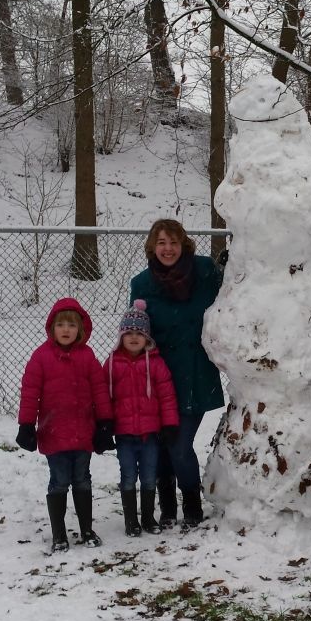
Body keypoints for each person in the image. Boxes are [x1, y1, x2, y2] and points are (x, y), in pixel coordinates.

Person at [128, 218, 225, 528]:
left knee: (179, 443)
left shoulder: (205, 271)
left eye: (173, 242)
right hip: (158, 377)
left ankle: (193, 506)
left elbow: (238, 288)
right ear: (152, 248)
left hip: (195, 373)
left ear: (184, 244)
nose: (167, 249)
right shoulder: (142, 284)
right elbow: (136, 333)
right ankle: (168, 506)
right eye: (161, 243)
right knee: (160, 441)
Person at [16, 297, 115, 553]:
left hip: (83, 431)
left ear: (80, 329)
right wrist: (26, 424)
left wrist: (105, 423)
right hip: (54, 432)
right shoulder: (41, 357)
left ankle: (86, 529)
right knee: (59, 480)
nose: (66, 330)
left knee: (82, 479)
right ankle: (59, 534)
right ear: (52, 328)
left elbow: (100, 391)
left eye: (71, 325)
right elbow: (30, 393)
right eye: (61, 324)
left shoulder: (87, 357)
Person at [103, 299, 179, 537]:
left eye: (139, 333)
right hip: (124, 434)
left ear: (148, 337)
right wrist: (104, 425)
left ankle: (147, 516)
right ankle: (130, 521)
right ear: (121, 336)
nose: (134, 337)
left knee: (148, 477)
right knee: (128, 477)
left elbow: (167, 396)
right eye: (129, 333)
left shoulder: (156, 364)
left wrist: (169, 424)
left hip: (150, 435)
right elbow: (103, 396)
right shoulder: (112, 364)